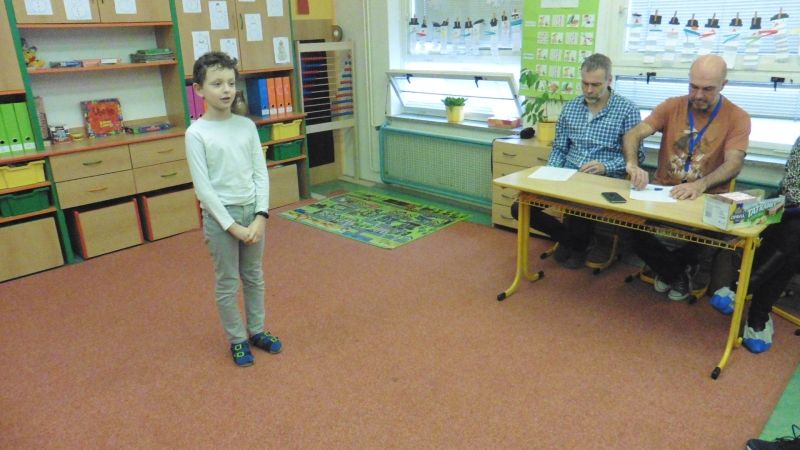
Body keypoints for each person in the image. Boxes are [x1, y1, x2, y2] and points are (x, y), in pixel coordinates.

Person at [622, 54, 751, 301]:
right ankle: (677, 272)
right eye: (693, 87)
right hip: (663, 192)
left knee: (718, 234)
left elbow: (734, 162)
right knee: (625, 223)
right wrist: (632, 164)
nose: (698, 95)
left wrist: (701, 184)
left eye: (707, 89)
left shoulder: (737, 117)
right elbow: (632, 135)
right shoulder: (672, 106)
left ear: (723, 85)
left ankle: (668, 270)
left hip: (705, 196)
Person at [185, 51, 282, 367]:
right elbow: (204, 189)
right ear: (199, 89)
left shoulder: (246, 126)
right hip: (220, 219)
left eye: (230, 82)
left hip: (251, 213)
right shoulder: (196, 133)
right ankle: (237, 339)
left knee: (254, 276)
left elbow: (260, 173)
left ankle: (257, 331)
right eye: (217, 84)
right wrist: (232, 226)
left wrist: (261, 215)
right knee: (228, 282)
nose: (226, 90)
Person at [511, 53, 644, 269]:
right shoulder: (571, 107)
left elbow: (638, 157)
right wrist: (549, 174)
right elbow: (560, 148)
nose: (588, 90)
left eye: (595, 85)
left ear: (609, 80)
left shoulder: (627, 110)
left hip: (602, 181)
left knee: (579, 211)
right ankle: (574, 242)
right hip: (568, 176)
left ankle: (576, 243)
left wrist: (605, 166)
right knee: (520, 208)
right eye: (584, 83)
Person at [709, 135, 800, 353]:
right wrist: (782, 209)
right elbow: (792, 191)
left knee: (792, 234)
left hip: (789, 217)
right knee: (792, 237)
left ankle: (738, 289)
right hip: (789, 210)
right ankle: (758, 317)